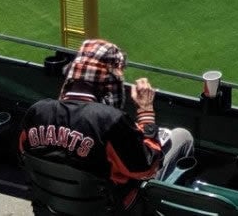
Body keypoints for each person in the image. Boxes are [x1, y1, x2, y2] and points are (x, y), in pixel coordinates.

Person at [19, 39, 194, 204]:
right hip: (112, 209)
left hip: (52, 207)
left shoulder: (37, 112)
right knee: (182, 137)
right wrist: (146, 111)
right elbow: (145, 169)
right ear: (106, 84)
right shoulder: (109, 120)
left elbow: (26, 156)